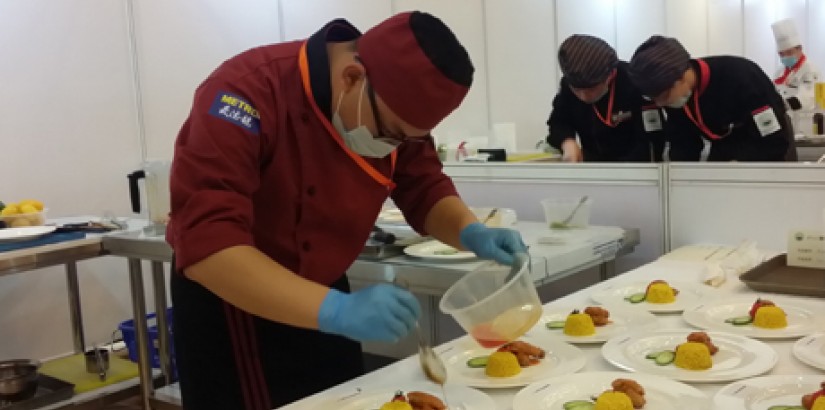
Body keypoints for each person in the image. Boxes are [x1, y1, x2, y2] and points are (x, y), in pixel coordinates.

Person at [166, 12, 527, 409]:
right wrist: (336, 310)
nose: (394, 147)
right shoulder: (246, 92)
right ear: (352, 78)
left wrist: (471, 232)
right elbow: (208, 244)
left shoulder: (389, 105)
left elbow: (422, 185)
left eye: (408, 139)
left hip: (327, 291)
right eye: (390, 135)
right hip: (238, 304)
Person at [628, 35, 795, 161]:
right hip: (722, 158)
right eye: (654, 98)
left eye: (663, 96)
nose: (660, 103)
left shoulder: (741, 76)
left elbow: (775, 141)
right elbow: (684, 145)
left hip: (768, 155)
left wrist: (738, 167)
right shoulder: (676, 98)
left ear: (682, 76)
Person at [545, 35, 665, 162]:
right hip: (592, 166)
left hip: (636, 166)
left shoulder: (634, 81)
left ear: (610, 75)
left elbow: (653, 138)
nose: (584, 96)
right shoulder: (568, 85)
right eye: (577, 90)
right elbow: (558, 122)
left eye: (591, 89)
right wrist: (567, 142)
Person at [771, 18, 821, 137]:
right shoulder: (780, 72)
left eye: (789, 52)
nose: (785, 57)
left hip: (805, 126)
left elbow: (808, 98)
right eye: (781, 54)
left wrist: (783, 104)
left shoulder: (810, 70)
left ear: (799, 49)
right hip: (784, 125)